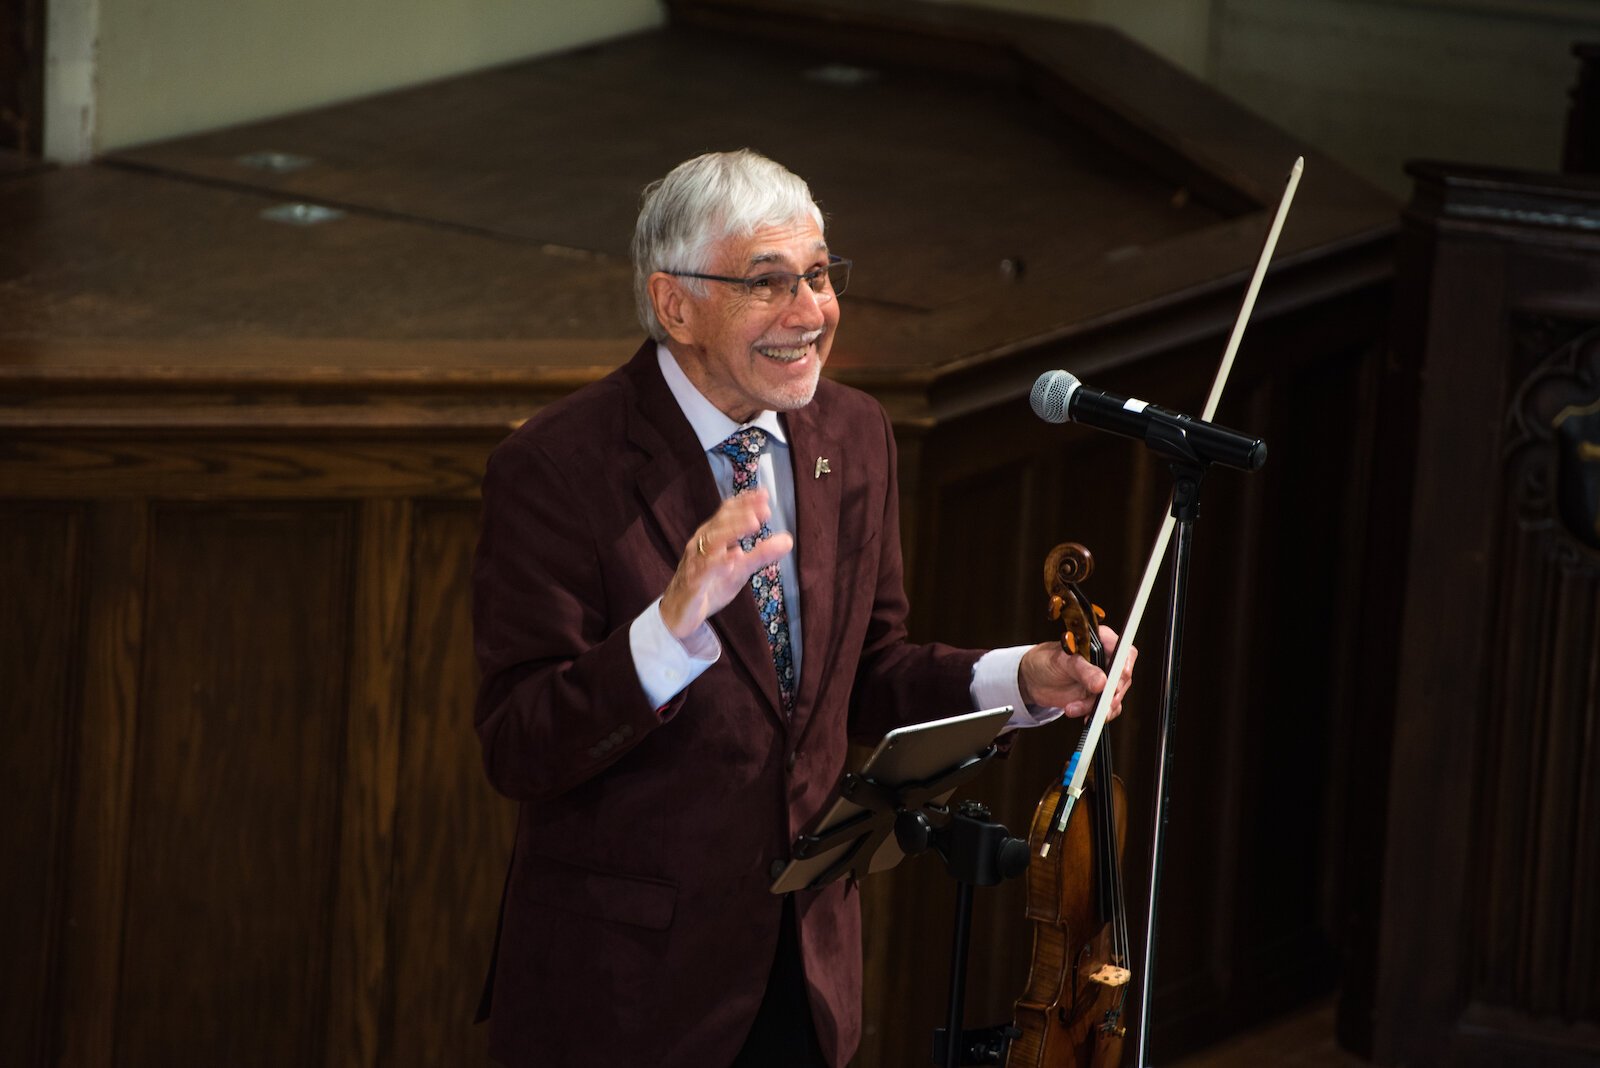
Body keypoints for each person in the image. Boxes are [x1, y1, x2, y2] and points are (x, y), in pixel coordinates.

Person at [472, 149, 1134, 1068]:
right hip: (625, 996)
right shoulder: (555, 469)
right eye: (768, 283)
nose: (811, 314)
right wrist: (667, 632)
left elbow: (869, 671)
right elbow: (519, 744)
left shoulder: (853, 434)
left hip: (807, 975)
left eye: (820, 275)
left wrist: (1020, 678)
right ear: (675, 304)